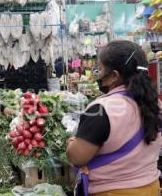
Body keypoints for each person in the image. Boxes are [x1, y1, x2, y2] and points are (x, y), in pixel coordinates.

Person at [66, 40, 162, 196]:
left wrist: (71, 142)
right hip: (151, 188)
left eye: (100, 69)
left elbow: (77, 157)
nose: (98, 74)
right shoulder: (155, 103)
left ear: (114, 76)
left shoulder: (102, 109)